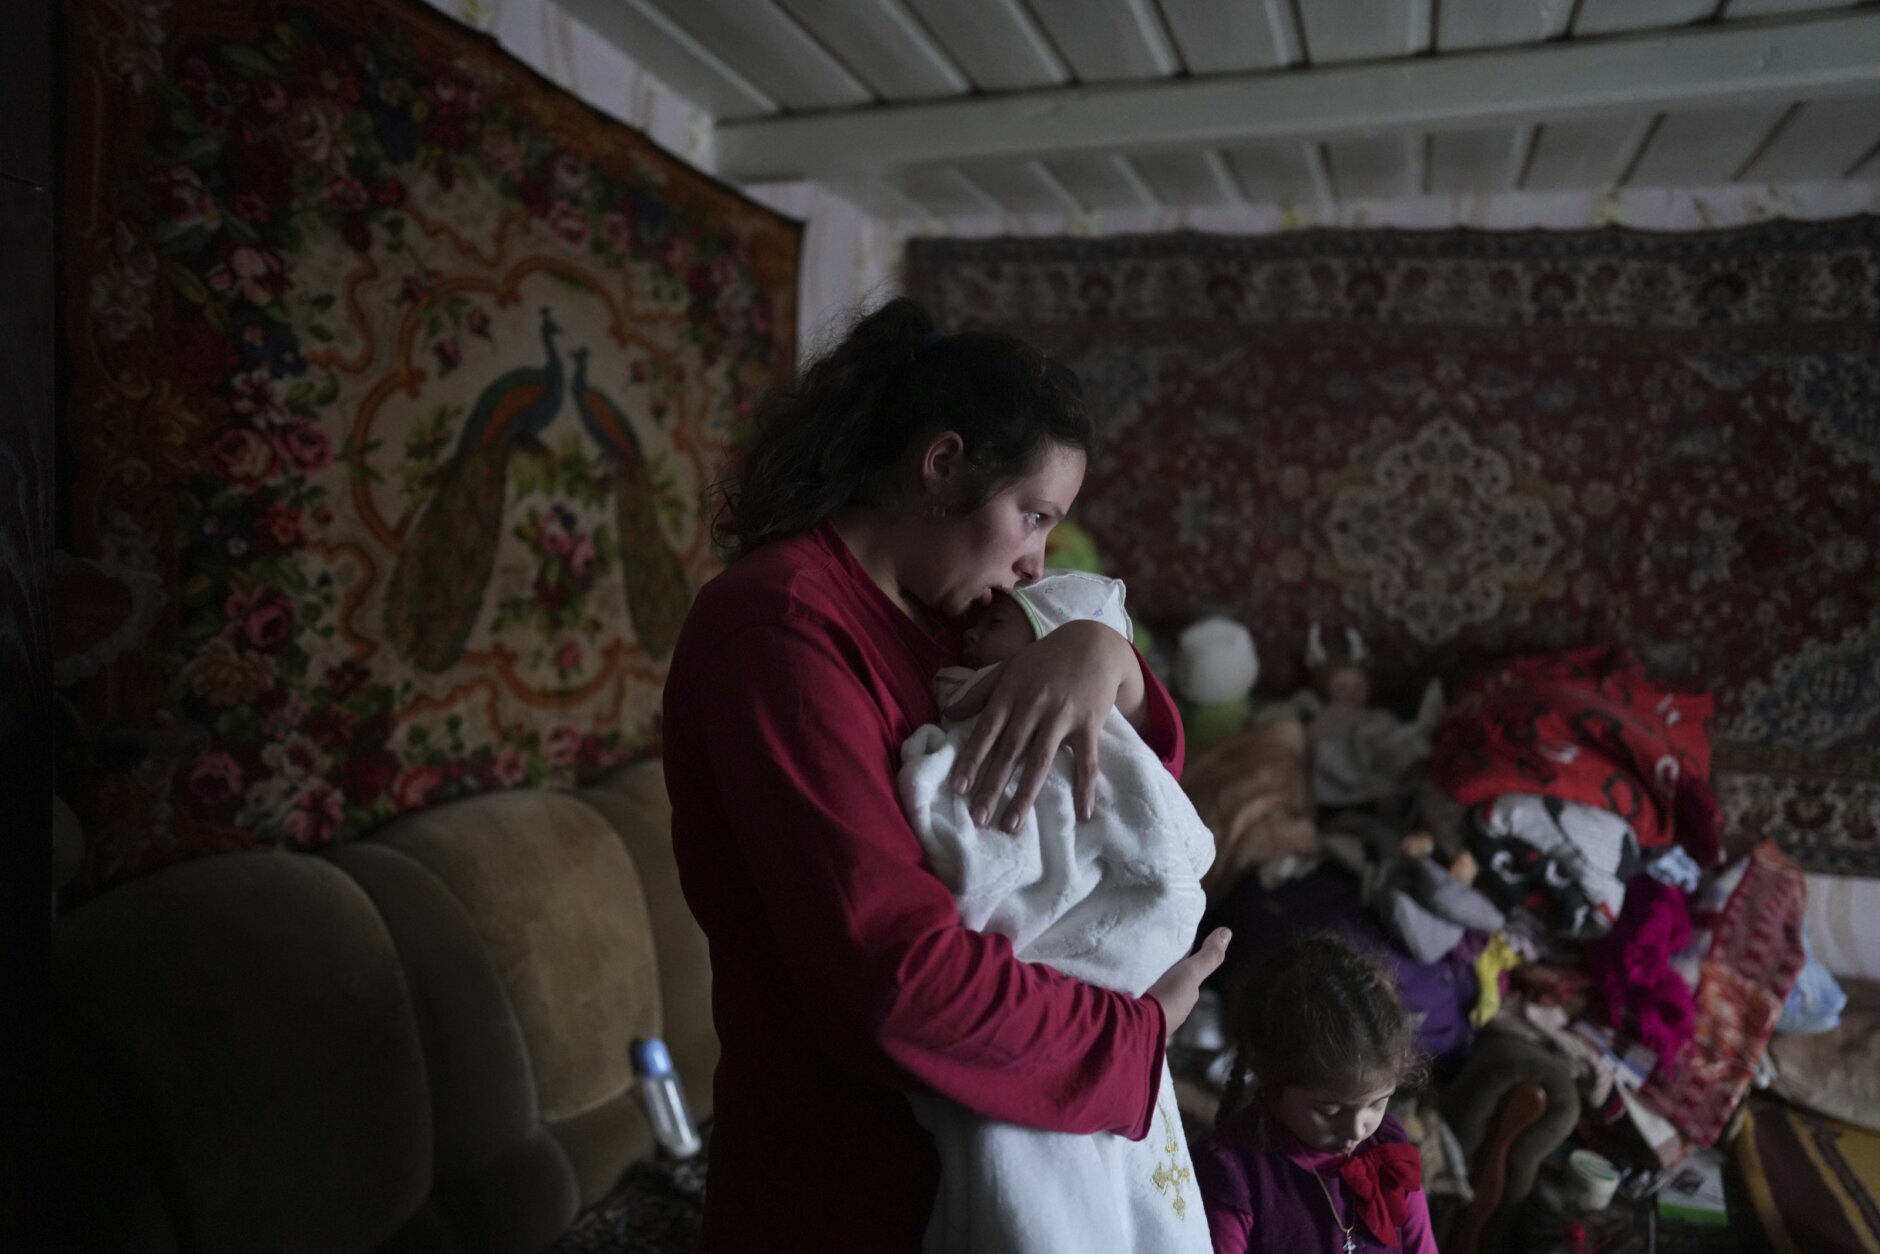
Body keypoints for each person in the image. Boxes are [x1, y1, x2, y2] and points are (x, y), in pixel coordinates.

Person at [661, 297, 1231, 1252]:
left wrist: (1108, 663)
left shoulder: (951, 625)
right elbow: (896, 981)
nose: (1035, 564)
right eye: (1033, 517)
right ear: (941, 465)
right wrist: (1134, 1038)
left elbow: (1117, 811)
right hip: (852, 1192)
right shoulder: (778, 626)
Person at [898, 572, 1216, 1254]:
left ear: (1045, 642)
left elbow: (1159, 829)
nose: (973, 633)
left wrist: (1104, 653)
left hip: (1095, 999)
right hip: (1055, 1019)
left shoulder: (1028, 710)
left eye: (998, 625)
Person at [1194, 932, 1438, 1254]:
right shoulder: (1234, 1174)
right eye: (1330, 1111)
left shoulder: (1387, 1149)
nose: (1356, 1130)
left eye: (1377, 1104)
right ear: (1270, 1076)